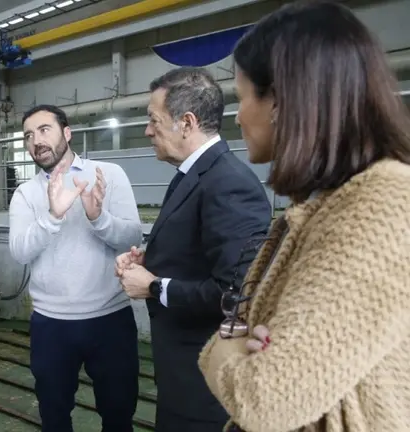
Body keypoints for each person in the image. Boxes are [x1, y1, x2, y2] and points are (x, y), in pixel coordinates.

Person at [197, 2, 410, 431]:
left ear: (280, 100)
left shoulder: (383, 203)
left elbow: (267, 398)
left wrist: (223, 348)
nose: (238, 116)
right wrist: (249, 341)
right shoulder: (322, 203)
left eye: (242, 97)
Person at [115, 67, 271, 432]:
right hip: (182, 371)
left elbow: (235, 294)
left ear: (186, 123)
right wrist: (150, 262)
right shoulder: (194, 174)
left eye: (153, 120)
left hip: (206, 384)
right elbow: (200, 254)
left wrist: (154, 286)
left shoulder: (228, 183)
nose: (147, 130)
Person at [9, 104, 143, 432]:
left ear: (67, 133)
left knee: (119, 413)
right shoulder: (26, 193)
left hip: (110, 319)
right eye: (28, 135)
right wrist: (52, 216)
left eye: (44, 130)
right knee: (54, 417)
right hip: (51, 324)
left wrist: (98, 217)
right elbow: (20, 252)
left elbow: (132, 237)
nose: (36, 141)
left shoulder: (108, 175)